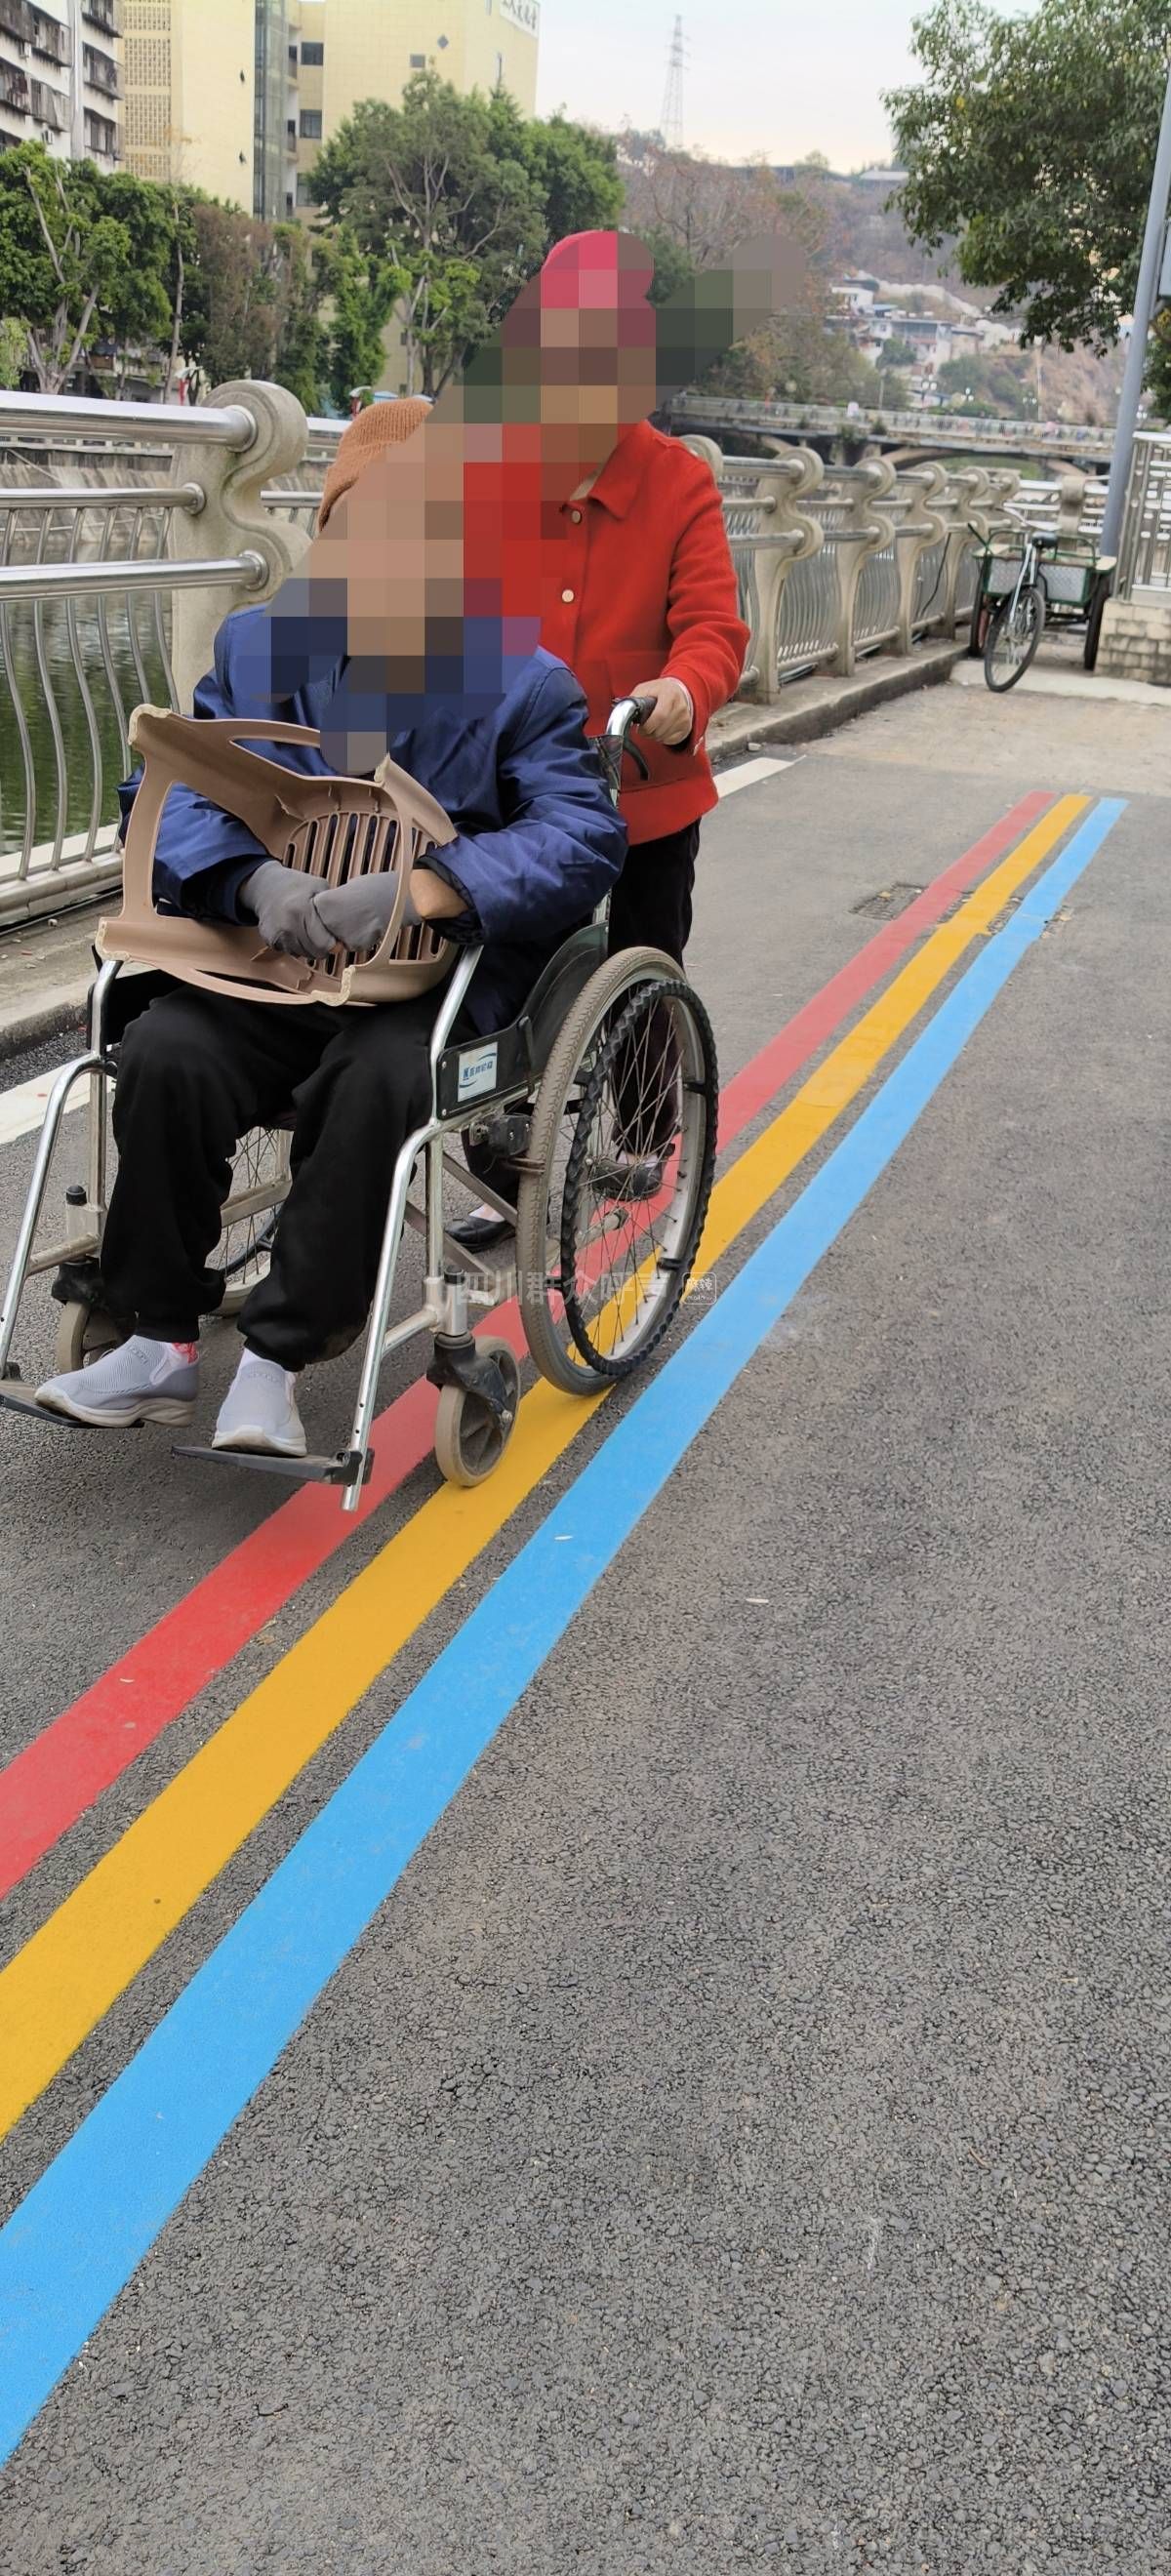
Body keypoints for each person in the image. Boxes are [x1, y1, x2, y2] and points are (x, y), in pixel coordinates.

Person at [35, 399, 626, 1457]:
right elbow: (170, 787)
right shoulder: (263, 645)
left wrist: (430, 887)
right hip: (274, 961)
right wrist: (250, 880)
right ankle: (160, 1339)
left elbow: (582, 835)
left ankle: (275, 1360)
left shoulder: (523, 682)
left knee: (375, 1081)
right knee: (167, 1051)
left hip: (430, 983)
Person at [454, 229, 748, 1248]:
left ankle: (645, 1132)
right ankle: (506, 1157)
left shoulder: (678, 482)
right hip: (522, 784)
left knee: (644, 954)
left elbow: (714, 626)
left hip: (643, 776)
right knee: (503, 966)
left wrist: (682, 688)